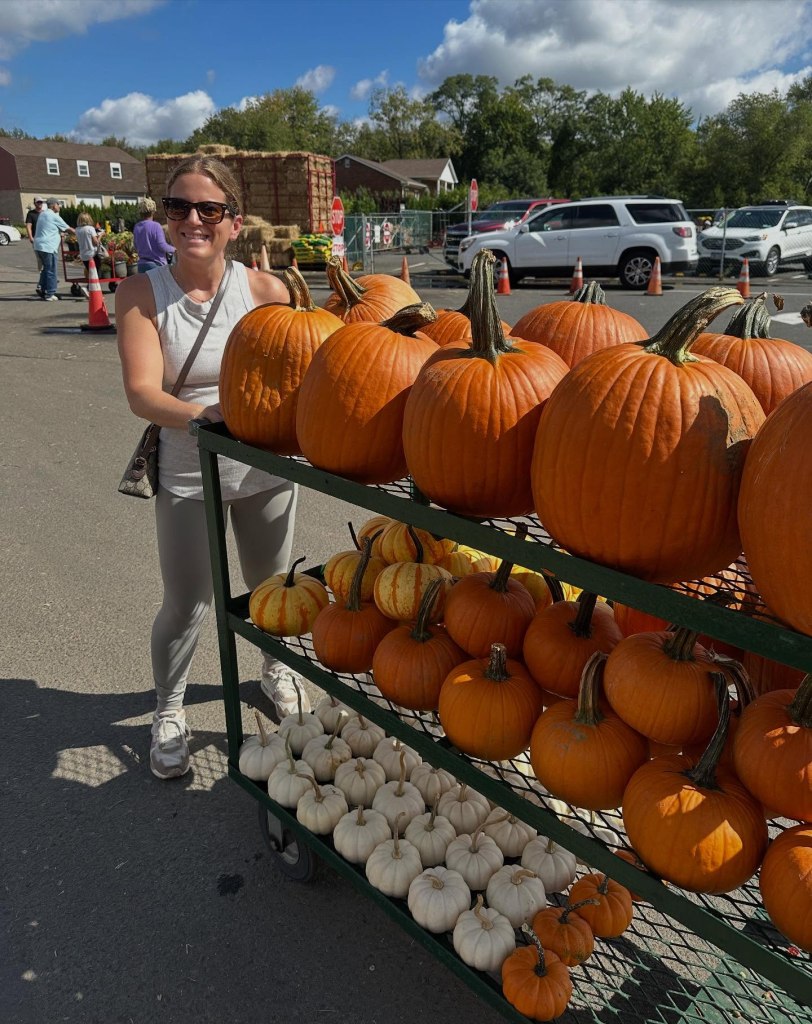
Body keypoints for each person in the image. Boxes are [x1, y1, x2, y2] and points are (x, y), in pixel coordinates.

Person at [115, 155, 304, 781]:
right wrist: (210, 415)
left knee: (273, 586)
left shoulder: (266, 291)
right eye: (178, 208)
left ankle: (275, 671)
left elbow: (299, 373)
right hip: (191, 464)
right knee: (187, 600)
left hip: (262, 466)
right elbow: (143, 392)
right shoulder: (142, 294)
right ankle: (169, 709)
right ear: (165, 219)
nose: (192, 219)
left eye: (208, 209)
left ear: (233, 221)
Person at [33, 198, 74, 301]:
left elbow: (49, 228)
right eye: (58, 204)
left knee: (46, 268)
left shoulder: (43, 214)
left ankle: (41, 287)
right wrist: (82, 233)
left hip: (39, 245)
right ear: (53, 205)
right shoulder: (53, 216)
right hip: (48, 247)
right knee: (51, 270)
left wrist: (59, 233)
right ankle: (50, 293)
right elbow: (68, 228)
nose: (59, 206)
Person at [133, 196, 175, 273]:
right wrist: (175, 249)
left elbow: (135, 246)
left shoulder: (137, 227)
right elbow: (162, 246)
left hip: (141, 266)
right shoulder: (156, 226)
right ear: (153, 211)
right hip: (156, 265)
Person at [26, 196, 45, 294]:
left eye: (41, 202)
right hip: (36, 240)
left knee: (46, 260)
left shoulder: (45, 213)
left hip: (46, 240)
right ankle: (42, 276)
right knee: (40, 259)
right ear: (34, 203)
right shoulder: (31, 214)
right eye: (38, 202)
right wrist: (30, 237)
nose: (40, 204)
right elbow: (29, 226)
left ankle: (44, 277)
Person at [75, 212, 102, 280]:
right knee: (96, 271)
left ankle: (91, 285)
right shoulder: (90, 228)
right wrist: (101, 235)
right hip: (93, 254)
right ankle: (94, 286)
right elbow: (96, 242)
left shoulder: (77, 230)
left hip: (83, 255)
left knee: (90, 271)